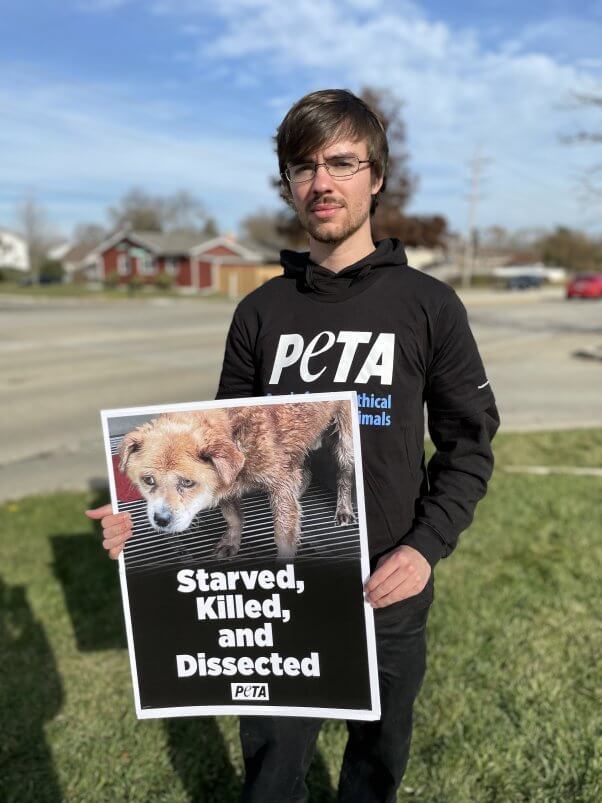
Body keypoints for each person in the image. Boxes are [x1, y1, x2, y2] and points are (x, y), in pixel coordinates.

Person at [86, 88, 500, 802]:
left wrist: (424, 547)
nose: (323, 182)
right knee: (274, 768)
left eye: (342, 162)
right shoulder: (261, 311)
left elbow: (470, 445)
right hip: (282, 589)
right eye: (303, 167)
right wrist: (141, 521)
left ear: (377, 175)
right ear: (287, 184)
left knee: (375, 762)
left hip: (388, 581)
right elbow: (213, 455)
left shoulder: (429, 305)